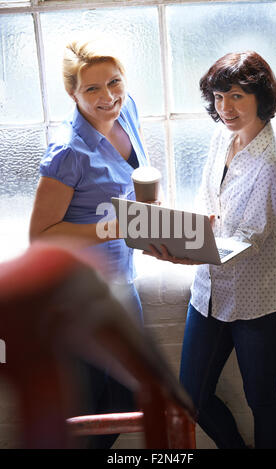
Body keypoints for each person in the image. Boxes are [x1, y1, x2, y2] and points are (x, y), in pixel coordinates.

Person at [145, 51, 276, 448]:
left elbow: (250, 240)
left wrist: (185, 251)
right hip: (208, 292)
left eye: (235, 96)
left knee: (262, 399)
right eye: (218, 97)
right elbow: (212, 208)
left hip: (259, 302)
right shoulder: (221, 138)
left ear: (260, 97)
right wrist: (168, 226)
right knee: (191, 397)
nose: (224, 108)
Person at [29, 38, 150, 447]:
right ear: (73, 94)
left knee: (126, 397)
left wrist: (167, 228)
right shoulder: (68, 151)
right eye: (93, 89)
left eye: (114, 82)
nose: (109, 96)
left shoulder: (125, 110)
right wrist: (115, 228)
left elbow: (135, 183)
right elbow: (40, 236)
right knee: (101, 406)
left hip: (121, 284)